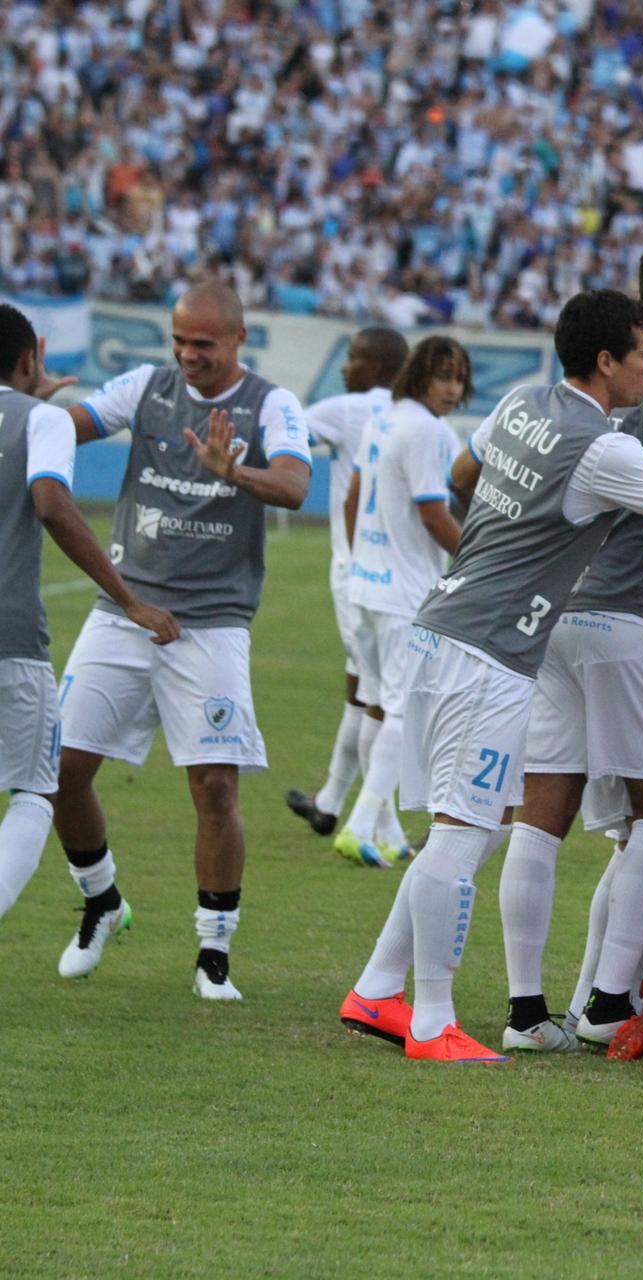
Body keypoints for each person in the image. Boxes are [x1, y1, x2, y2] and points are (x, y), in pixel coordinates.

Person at [335, 288, 643, 1062]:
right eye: (640, 359)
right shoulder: (603, 450)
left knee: (478, 827)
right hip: (486, 652)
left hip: (452, 626)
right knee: (464, 836)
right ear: (606, 362)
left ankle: (376, 990)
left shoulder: (523, 405)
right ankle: (431, 1025)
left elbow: (465, 475)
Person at [52, 281, 311, 1000]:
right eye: (179, 340)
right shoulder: (146, 388)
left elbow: (292, 486)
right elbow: (67, 426)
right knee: (61, 769)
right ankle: (101, 899)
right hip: (122, 609)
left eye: (203, 343)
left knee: (216, 788)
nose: (188, 355)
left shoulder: (272, 404)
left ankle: (213, 952)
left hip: (213, 620)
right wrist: (33, 406)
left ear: (236, 340)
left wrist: (238, 472)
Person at [0, 307, 178, 924]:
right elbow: (50, 503)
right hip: (11, 639)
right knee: (35, 791)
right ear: (30, 358)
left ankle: (103, 900)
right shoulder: (41, 420)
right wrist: (128, 598)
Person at [330, 337, 473, 867]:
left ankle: (385, 833)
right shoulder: (429, 430)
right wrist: (479, 562)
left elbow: (351, 500)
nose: (454, 390)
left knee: (375, 701)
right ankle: (361, 820)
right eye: (444, 377)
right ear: (420, 375)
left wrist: (358, 558)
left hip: (365, 586)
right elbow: (435, 515)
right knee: (400, 709)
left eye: (460, 379)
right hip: (404, 593)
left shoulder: (384, 418)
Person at [285, 327, 409, 839]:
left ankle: (380, 823)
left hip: (356, 572)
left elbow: (289, 430)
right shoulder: (411, 414)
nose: (345, 366)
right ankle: (333, 801)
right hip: (399, 569)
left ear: (377, 368)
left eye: (354, 357)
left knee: (372, 692)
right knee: (363, 686)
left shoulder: (348, 409)